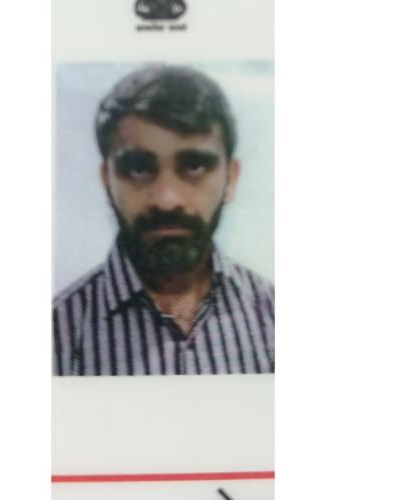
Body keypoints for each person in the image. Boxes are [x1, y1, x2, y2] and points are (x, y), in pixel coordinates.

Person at [53, 64, 274, 376]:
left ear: (231, 179)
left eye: (194, 166)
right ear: (107, 181)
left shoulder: (273, 316)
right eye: (138, 168)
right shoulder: (58, 335)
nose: (167, 199)